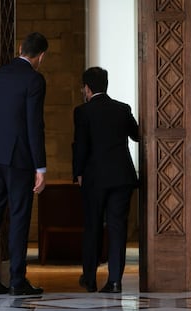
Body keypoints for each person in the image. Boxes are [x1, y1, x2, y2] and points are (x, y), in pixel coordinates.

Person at [0, 32, 48, 296]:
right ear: (41, 56)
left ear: (20, 48)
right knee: (19, 217)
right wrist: (40, 168)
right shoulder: (35, 79)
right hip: (18, 159)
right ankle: (18, 281)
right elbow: (34, 125)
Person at [72, 67, 139, 293]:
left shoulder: (83, 112)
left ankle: (89, 278)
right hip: (122, 177)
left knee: (92, 227)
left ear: (87, 88)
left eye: (83, 87)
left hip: (94, 179)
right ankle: (115, 281)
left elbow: (81, 146)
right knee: (117, 227)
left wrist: (78, 173)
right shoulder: (122, 109)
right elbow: (137, 135)